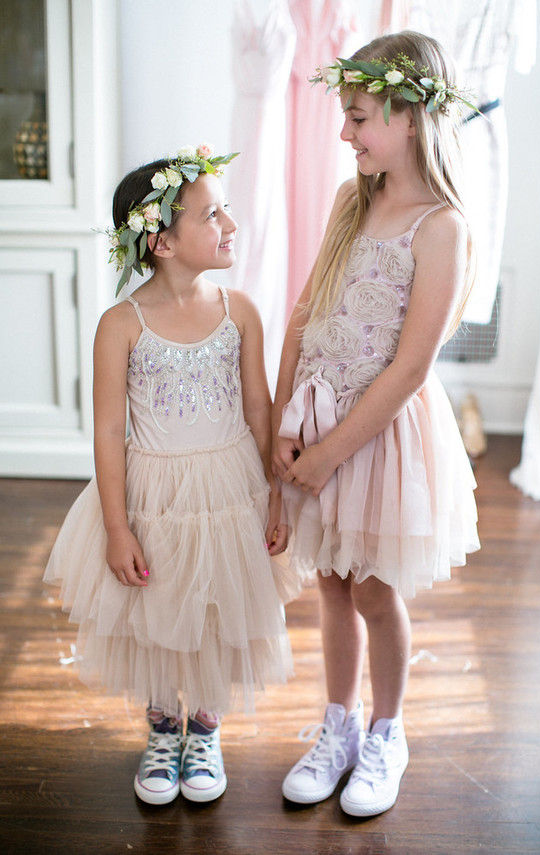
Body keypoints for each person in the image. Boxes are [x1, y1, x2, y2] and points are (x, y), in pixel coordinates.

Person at [44, 144, 297, 807]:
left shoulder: (239, 311)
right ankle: (162, 727)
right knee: (157, 606)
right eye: (212, 215)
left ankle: (205, 727)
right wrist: (117, 524)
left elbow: (258, 406)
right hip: (153, 492)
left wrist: (275, 495)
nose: (230, 226)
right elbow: (107, 430)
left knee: (216, 607)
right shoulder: (119, 325)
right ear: (159, 240)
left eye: (227, 210)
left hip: (228, 488)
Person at [272, 31, 480, 818]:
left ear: (410, 115)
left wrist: (328, 453)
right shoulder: (348, 201)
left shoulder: (441, 227)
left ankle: (387, 729)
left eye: (357, 117)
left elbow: (409, 370)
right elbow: (303, 316)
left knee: (372, 588)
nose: (344, 133)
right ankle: (338, 727)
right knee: (330, 580)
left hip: (376, 437)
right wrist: (284, 425)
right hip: (318, 422)